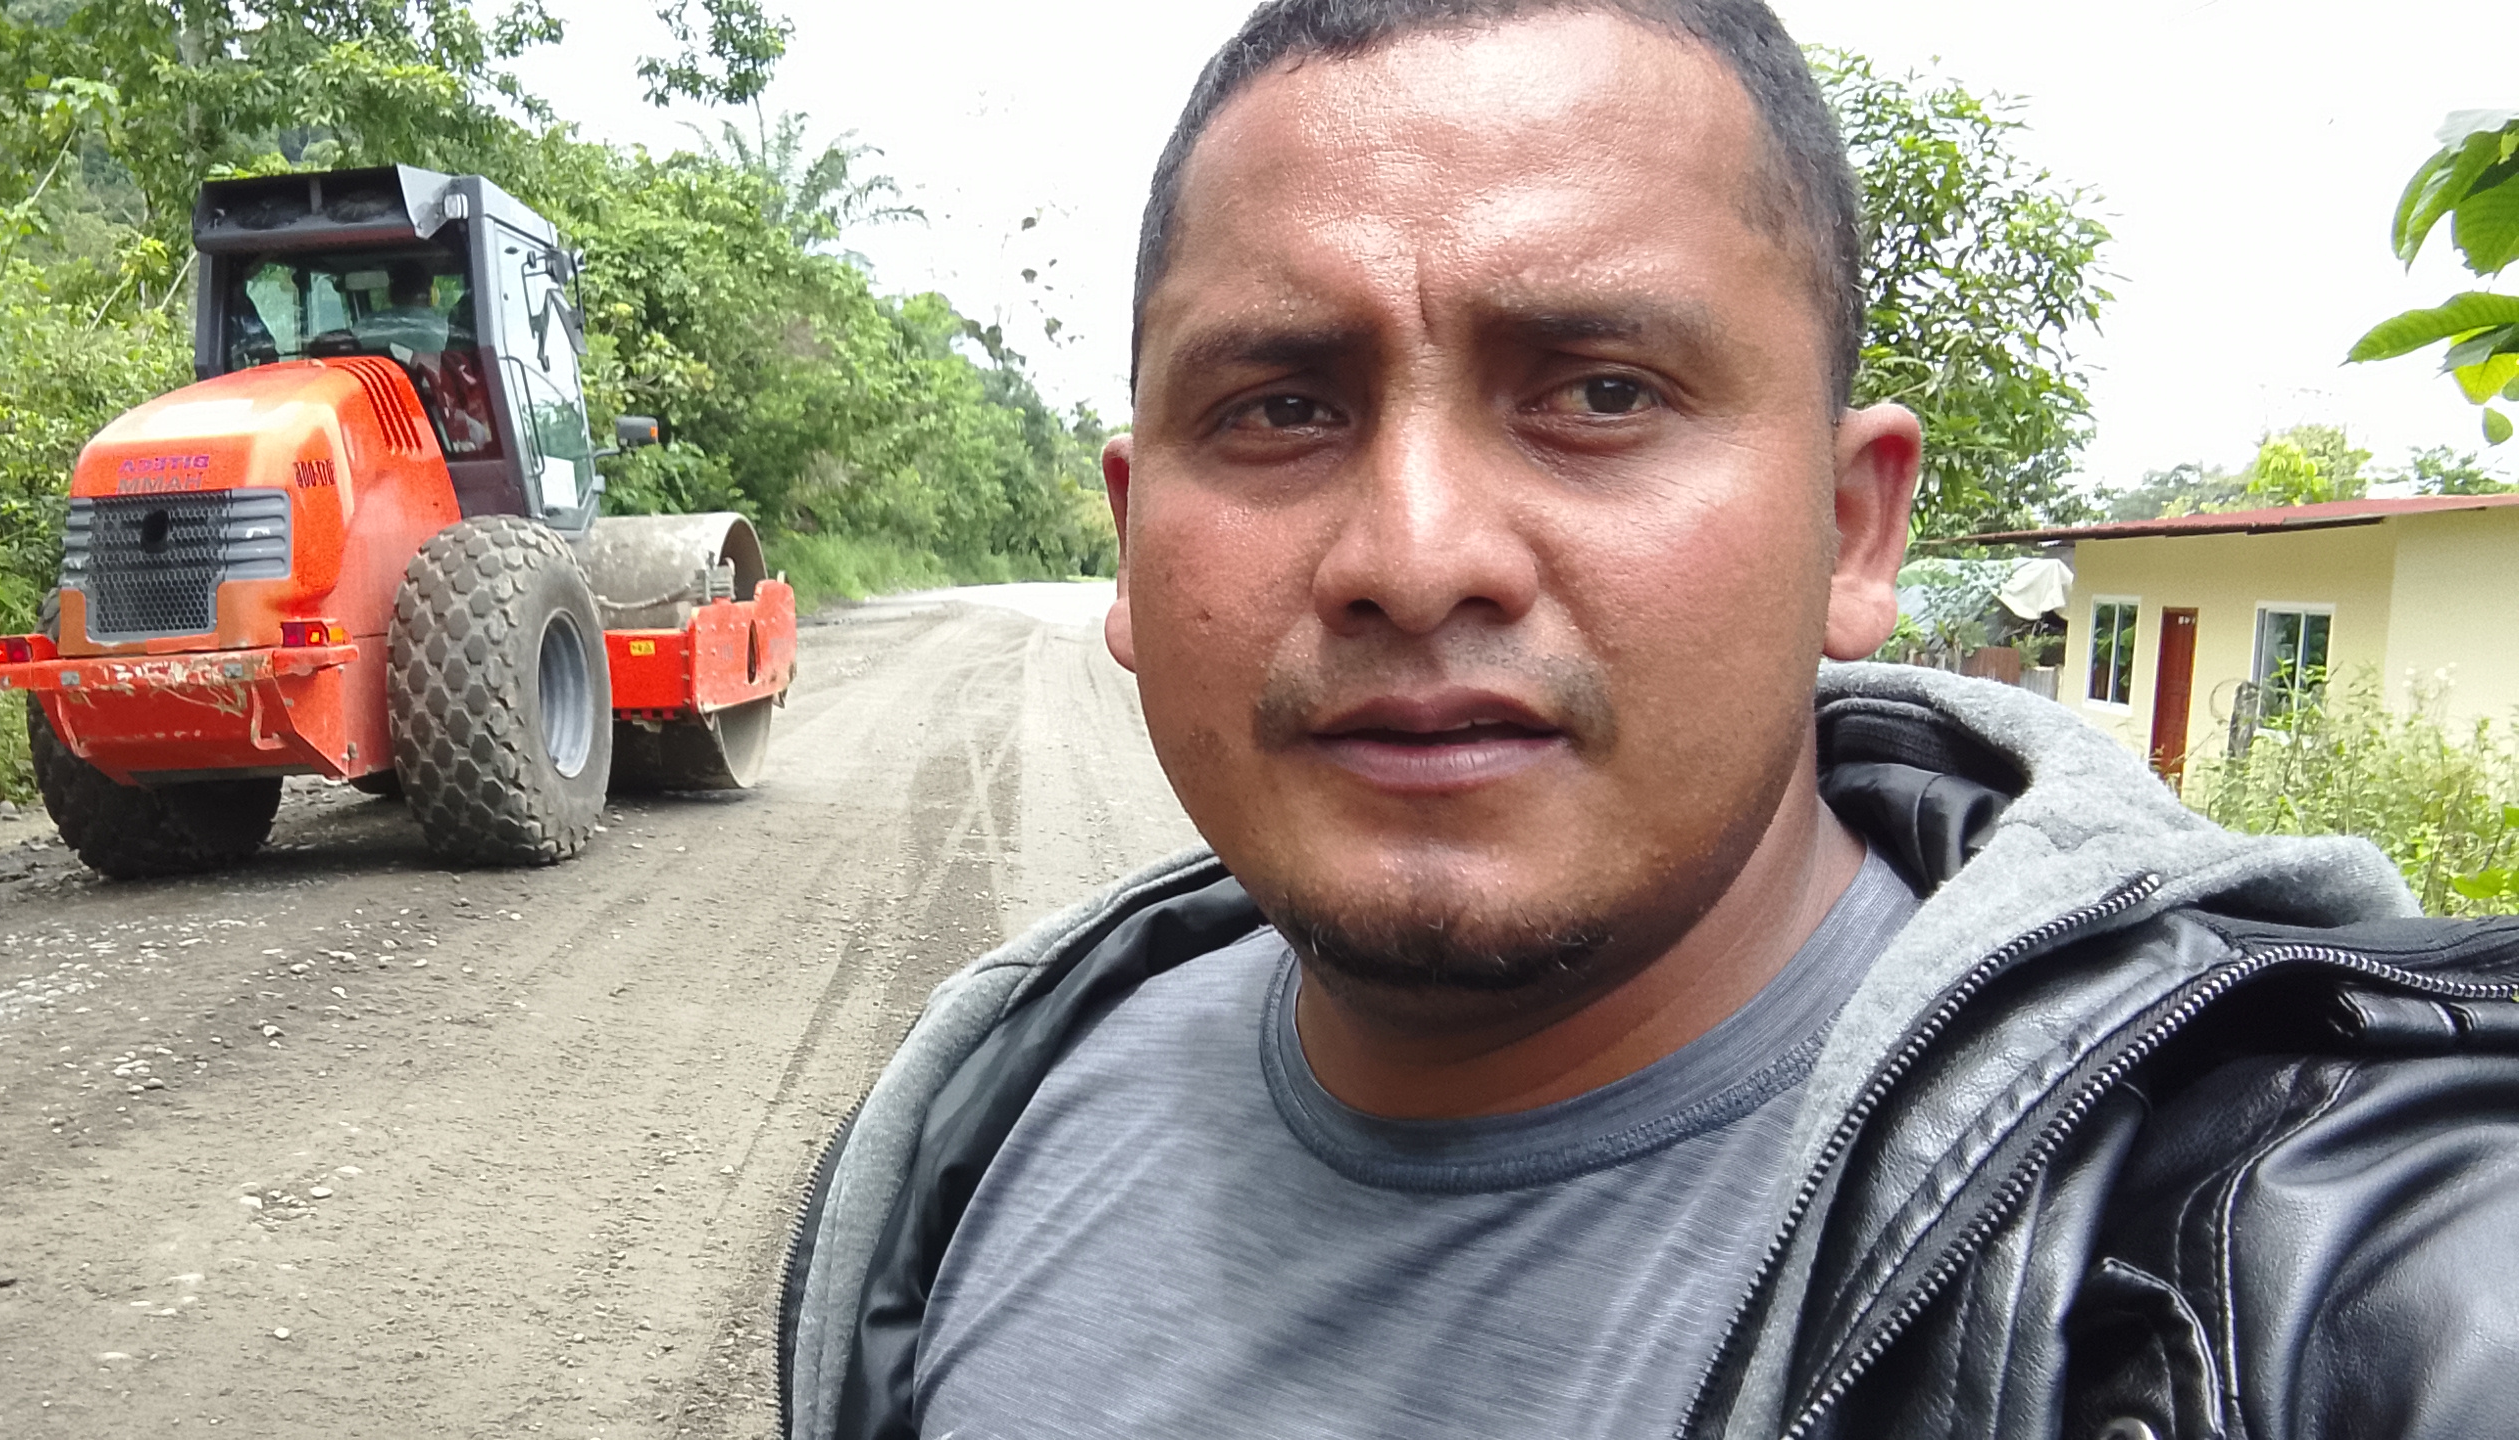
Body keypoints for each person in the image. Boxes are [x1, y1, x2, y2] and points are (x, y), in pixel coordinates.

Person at [774, 2, 2519, 1438]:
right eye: (1284, 407)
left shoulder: (2293, 1261)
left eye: (1603, 393)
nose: (1415, 559)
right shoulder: (979, 1135)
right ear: (1134, 539)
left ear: (1852, 530)